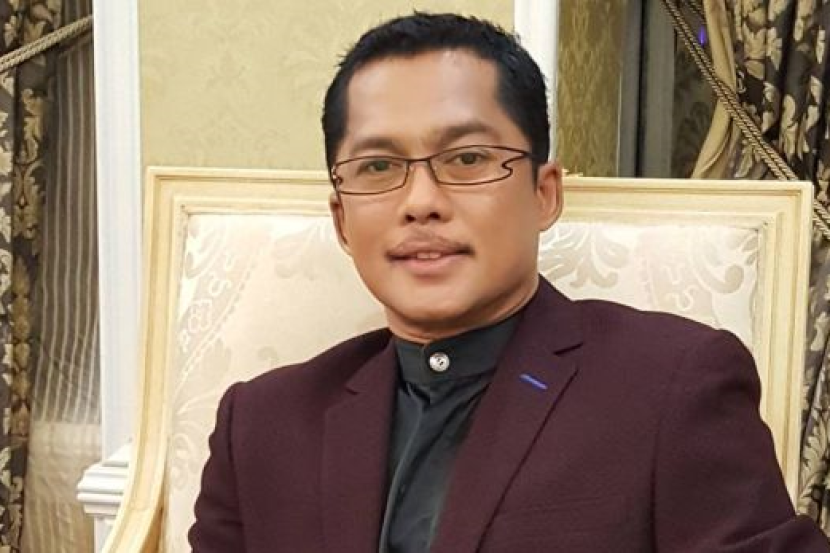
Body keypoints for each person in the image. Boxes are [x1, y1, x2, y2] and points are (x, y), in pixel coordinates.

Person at [189, 12, 830, 553]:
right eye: (378, 166)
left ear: (543, 193)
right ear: (341, 220)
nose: (421, 202)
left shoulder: (672, 386)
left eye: (467, 158)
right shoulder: (262, 424)